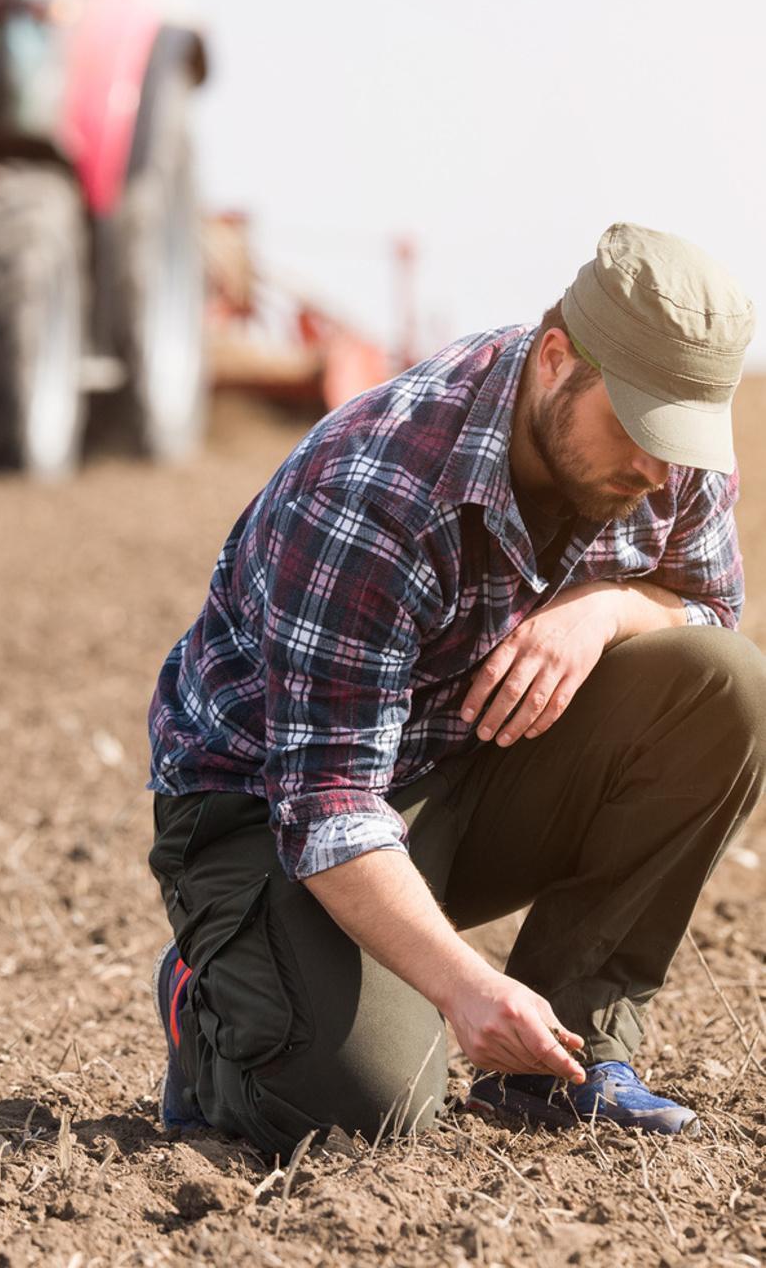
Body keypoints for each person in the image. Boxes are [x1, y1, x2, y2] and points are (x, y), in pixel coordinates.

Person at [147, 223, 764, 1153]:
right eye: (637, 429)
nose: (655, 470)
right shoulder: (377, 490)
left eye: (678, 439)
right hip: (268, 811)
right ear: (555, 360)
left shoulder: (666, 464)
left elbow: (710, 609)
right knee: (363, 1109)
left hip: (459, 768)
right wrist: (466, 987)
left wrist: (602, 611)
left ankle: (570, 1060)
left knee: (722, 689)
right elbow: (325, 806)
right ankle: (216, 994)